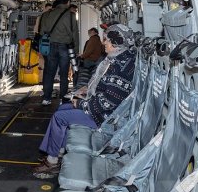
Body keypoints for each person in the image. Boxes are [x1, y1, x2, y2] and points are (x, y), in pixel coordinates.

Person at [34, 24, 137, 174]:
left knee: (59, 117)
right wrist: (87, 90)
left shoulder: (119, 69)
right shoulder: (119, 59)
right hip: (102, 111)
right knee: (62, 108)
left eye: (106, 40)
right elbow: (104, 90)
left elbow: (107, 102)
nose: (103, 43)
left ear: (116, 43)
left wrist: (82, 103)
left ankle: (52, 161)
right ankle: (57, 151)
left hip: (105, 118)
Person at [38, 0, 78, 105]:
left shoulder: (47, 14)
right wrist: (75, 51)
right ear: (69, 2)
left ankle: (46, 98)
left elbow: (42, 32)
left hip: (50, 47)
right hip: (65, 47)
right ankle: (62, 99)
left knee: (49, 73)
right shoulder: (71, 15)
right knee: (64, 75)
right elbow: (75, 34)